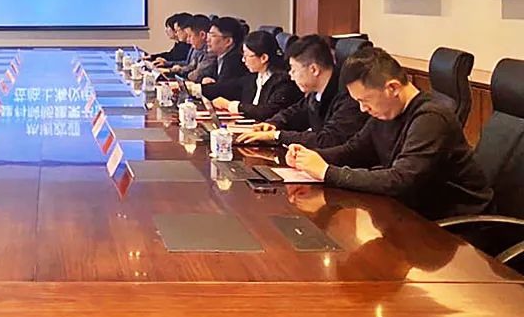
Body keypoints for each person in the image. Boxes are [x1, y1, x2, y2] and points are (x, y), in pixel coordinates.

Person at [286, 47, 492, 220]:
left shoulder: (431, 119)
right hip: (413, 213)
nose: (362, 109)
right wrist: (309, 157)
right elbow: (355, 150)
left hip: (458, 228)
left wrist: (326, 172)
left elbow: (401, 180)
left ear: (392, 88)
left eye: (364, 100)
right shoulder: (386, 111)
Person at [236, 34, 367, 147]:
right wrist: (273, 124)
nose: (291, 76)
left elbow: (328, 139)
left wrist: (277, 135)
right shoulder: (316, 92)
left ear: (314, 69)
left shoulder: (349, 95)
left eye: (294, 69)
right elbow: (297, 111)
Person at [205, 31, 303, 121]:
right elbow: (230, 86)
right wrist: (200, 89)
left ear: (264, 58)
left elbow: (268, 112)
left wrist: (230, 105)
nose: (243, 60)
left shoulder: (283, 81)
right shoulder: (254, 76)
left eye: (246, 56)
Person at [185, 16, 248, 96]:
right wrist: (206, 79)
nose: (207, 39)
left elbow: (225, 91)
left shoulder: (235, 61)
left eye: (213, 36)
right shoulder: (219, 57)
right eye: (209, 35)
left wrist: (197, 89)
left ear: (228, 41)